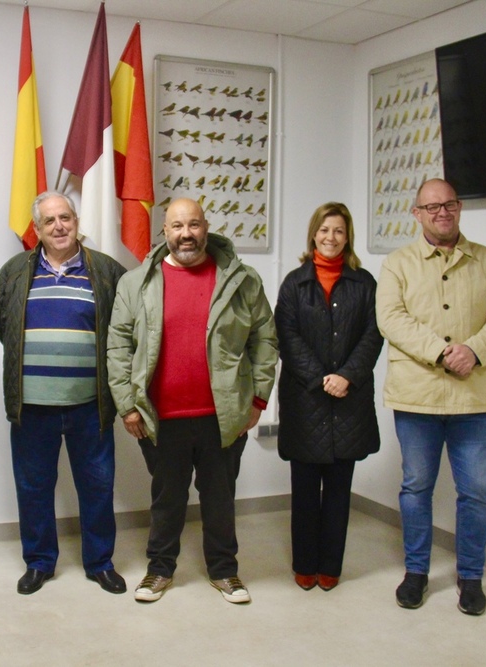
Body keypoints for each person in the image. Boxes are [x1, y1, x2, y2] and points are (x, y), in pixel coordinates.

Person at [108, 197, 278, 604]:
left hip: (223, 416)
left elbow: (265, 340)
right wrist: (128, 405)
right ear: (164, 232)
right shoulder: (135, 283)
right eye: (177, 226)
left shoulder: (242, 279)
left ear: (207, 227)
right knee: (167, 500)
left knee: (220, 499)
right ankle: (159, 570)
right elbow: (118, 347)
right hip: (161, 416)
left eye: (194, 224)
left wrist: (256, 400)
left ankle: (225, 571)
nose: (187, 234)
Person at [377, 178, 486, 615]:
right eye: (432, 206)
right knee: (416, 487)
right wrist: (441, 351)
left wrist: (473, 350)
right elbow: (390, 318)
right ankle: (416, 572)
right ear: (417, 213)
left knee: (476, 492)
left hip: (474, 399)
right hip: (417, 397)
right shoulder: (398, 264)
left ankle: (471, 577)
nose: (443, 212)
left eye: (450, 204)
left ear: (459, 208)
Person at [0, 191, 128, 595]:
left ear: (76, 221)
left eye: (65, 217)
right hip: (32, 405)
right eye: (49, 220)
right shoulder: (16, 271)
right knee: (33, 488)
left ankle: (100, 562)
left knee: (98, 487)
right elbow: (6, 326)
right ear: (37, 228)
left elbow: (122, 331)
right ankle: (39, 562)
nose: (59, 226)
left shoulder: (106, 270)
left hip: (91, 404)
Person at [275, 202, 383, 592]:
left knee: (338, 492)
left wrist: (347, 377)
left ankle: (330, 567)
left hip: (348, 402)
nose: (331, 238)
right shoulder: (294, 283)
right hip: (306, 400)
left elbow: (374, 335)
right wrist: (322, 378)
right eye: (324, 230)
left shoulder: (365, 283)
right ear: (313, 234)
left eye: (338, 231)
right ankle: (305, 565)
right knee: (304, 492)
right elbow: (286, 336)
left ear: (347, 235)